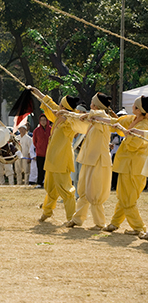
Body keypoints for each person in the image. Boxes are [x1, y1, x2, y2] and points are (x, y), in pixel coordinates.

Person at [30, 87, 87, 224]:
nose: (58, 106)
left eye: (61, 105)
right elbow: (48, 102)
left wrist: (66, 116)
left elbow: (81, 122)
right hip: (52, 160)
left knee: (66, 190)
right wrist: (35, 90)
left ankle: (71, 218)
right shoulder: (57, 117)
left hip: (61, 160)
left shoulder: (69, 122)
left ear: (65, 108)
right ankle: (47, 212)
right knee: (50, 189)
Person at [66, 93, 116, 230]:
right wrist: (67, 113)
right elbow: (85, 117)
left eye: (92, 103)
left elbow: (100, 115)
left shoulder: (102, 119)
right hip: (89, 160)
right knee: (83, 190)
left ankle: (100, 223)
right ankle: (77, 219)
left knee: (94, 193)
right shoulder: (94, 119)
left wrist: (88, 115)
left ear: (96, 105)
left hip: (99, 161)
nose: (90, 106)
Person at [102, 96, 148, 235]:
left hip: (135, 168)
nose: (132, 106)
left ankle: (139, 228)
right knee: (123, 196)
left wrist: (124, 132)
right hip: (126, 166)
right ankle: (115, 223)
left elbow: (133, 145)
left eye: (134, 105)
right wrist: (95, 118)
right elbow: (115, 122)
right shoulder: (132, 120)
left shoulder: (144, 126)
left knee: (128, 199)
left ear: (139, 110)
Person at [32, 113, 52, 188]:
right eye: (41, 120)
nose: (43, 122)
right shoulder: (36, 131)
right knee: (40, 169)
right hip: (40, 153)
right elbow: (34, 141)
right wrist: (38, 147)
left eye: (44, 120)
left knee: (48, 169)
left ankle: (48, 183)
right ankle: (40, 183)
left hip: (49, 153)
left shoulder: (51, 130)